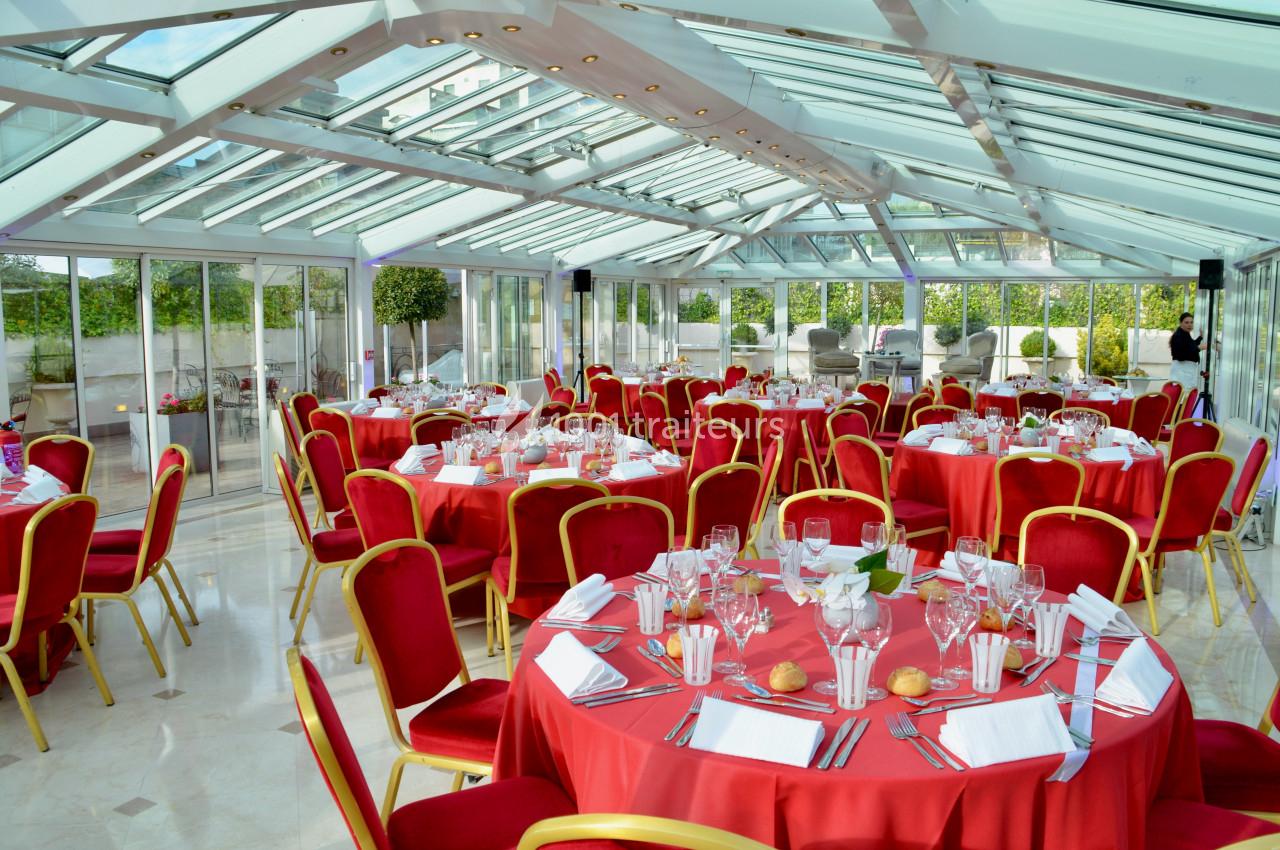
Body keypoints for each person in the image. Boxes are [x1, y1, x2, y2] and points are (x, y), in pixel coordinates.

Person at [1169, 311, 1206, 392]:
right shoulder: (1179, 336)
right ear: (1181, 323)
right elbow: (1180, 355)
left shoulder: (1184, 334)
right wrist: (1198, 348)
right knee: (1183, 395)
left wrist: (1200, 338)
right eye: (1186, 322)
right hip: (1182, 372)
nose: (1190, 325)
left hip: (1186, 371)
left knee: (1186, 394)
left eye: (1191, 322)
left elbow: (1190, 346)